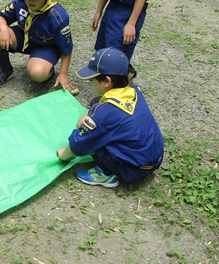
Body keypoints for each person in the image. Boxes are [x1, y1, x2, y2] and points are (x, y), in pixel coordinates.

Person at [56, 48, 164, 188]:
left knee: (91, 137)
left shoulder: (104, 113)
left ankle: (105, 173)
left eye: (92, 79)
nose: (90, 83)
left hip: (133, 170)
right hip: (154, 157)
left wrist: (63, 154)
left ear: (107, 81)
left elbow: (78, 143)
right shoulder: (134, 91)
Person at [0, 0, 78, 94]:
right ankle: (6, 70)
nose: (31, 0)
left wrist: (63, 73)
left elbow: (67, 49)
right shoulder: (20, 3)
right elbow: (0, 16)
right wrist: (3, 28)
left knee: (37, 74)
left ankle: (48, 70)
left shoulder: (58, 17)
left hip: (46, 47)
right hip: (24, 37)